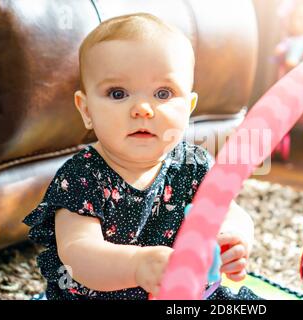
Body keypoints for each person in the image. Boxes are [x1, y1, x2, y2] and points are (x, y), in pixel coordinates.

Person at [23, 13, 258, 300]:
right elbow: (78, 254)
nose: (143, 109)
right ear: (86, 110)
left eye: (163, 93)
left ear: (189, 107)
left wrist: (232, 238)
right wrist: (137, 266)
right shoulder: (80, 177)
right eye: (118, 93)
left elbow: (231, 212)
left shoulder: (193, 164)